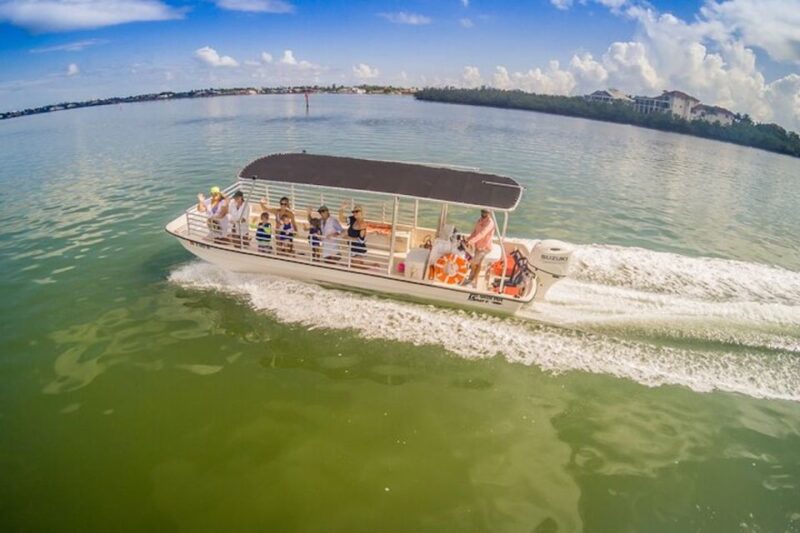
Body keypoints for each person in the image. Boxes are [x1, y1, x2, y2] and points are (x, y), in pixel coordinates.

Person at [462, 208, 495, 287]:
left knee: (474, 263)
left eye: (485, 212)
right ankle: (472, 278)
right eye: (482, 211)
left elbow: (482, 234)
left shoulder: (490, 223)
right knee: (475, 263)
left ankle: (472, 281)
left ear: (489, 213)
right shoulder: (479, 220)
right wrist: (468, 239)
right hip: (477, 246)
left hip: (484, 247)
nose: (483, 213)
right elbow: (474, 232)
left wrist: (470, 242)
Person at [340, 202, 368, 266]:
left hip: (359, 250)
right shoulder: (352, 219)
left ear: (362, 212)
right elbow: (342, 219)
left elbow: (361, 240)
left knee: (356, 266)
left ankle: (372, 265)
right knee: (353, 265)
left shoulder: (363, 224)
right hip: (352, 247)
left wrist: (348, 237)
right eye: (353, 211)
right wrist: (342, 208)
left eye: (357, 211)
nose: (354, 213)